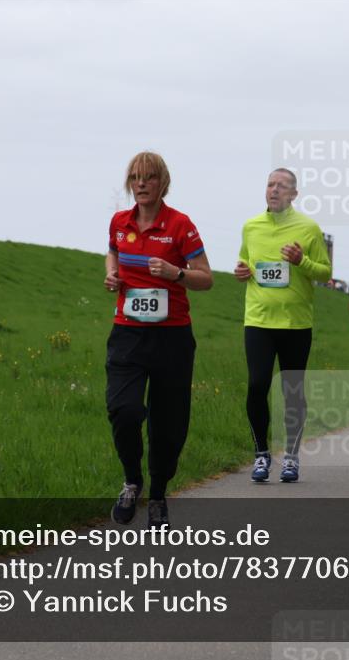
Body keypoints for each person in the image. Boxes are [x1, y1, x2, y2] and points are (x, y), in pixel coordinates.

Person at [104, 151, 213, 527]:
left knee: (168, 423)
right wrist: (112, 275)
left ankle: (160, 492)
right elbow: (113, 253)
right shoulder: (120, 222)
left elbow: (206, 277)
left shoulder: (180, 225)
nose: (140, 184)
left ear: (162, 182)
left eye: (148, 177)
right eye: (135, 177)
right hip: (128, 335)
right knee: (124, 410)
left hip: (172, 339)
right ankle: (132, 480)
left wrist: (175, 273)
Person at [234, 168, 332, 483]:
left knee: (291, 392)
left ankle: (291, 456)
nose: (274, 190)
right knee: (257, 385)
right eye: (270, 184)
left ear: (294, 194)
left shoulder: (309, 228)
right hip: (259, 320)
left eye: (282, 186)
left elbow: (324, 273)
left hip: (295, 324)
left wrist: (301, 260)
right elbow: (245, 261)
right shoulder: (251, 227)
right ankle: (261, 454)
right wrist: (242, 271)